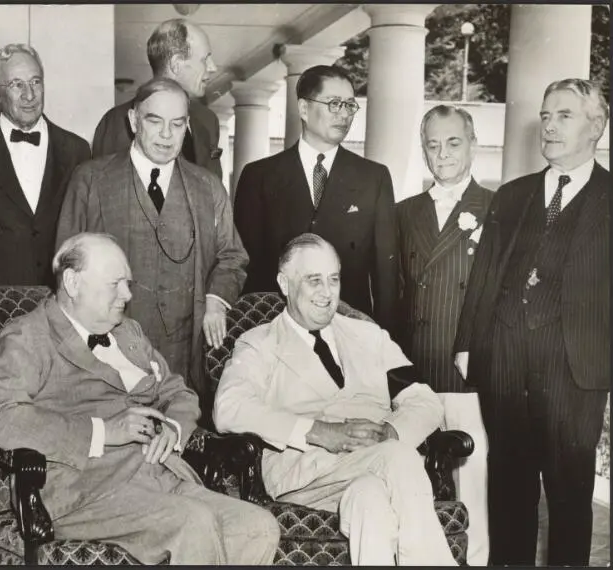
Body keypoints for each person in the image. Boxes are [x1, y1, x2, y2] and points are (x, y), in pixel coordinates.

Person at [0, 232, 279, 565]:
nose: (127, 294)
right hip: (86, 490)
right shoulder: (28, 336)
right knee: (194, 523)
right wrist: (104, 431)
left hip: (160, 475)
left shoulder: (128, 332)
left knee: (258, 526)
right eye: (115, 284)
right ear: (73, 282)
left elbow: (179, 393)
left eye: (128, 283)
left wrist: (173, 431)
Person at [214, 233, 456, 566]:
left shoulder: (370, 336)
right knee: (398, 459)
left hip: (376, 466)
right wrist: (317, 431)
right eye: (314, 281)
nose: (327, 293)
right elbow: (228, 408)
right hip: (307, 475)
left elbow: (425, 400)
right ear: (284, 283)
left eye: (333, 280)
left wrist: (391, 432)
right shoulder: (259, 344)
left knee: (370, 500)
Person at [454, 78, 610, 566]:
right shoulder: (513, 195)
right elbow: (484, 276)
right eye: (545, 116)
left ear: (596, 127)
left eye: (564, 115)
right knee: (509, 487)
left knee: (568, 492)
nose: (549, 125)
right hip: (504, 361)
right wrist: (467, 345)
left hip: (575, 369)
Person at [56, 77, 247, 414]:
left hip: (185, 358)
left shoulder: (208, 187)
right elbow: (64, 269)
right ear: (133, 121)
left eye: (177, 124)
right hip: (107, 355)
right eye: (154, 121)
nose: (165, 135)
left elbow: (232, 255)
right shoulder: (90, 180)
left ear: (187, 125)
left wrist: (216, 300)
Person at [396, 104, 493, 566]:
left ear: (473, 144)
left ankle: (474, 560)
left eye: (453, 142)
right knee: (414, 478)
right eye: (432, 145)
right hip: (416, 368)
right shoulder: (404, 212)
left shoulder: (496, 209)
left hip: (466, 369)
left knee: (471, 475)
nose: (443, 153)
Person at [234, 65, 398, 334]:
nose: (344, 114)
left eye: (349, 105)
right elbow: (245, 267)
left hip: (350, 332)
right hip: (275, 331)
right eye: (334, 104)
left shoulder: (374, 178)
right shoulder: (259, 177)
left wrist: (384, 341)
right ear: (303, 109)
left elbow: (386, 277)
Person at [0, 43, 90, 289]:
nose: (29, 95)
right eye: (17, 84)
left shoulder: (77, 150)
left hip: (60, 298)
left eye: (36, 82)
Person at [92, 19, 222, 179]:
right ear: (176, 64)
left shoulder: (208, 120)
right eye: (205, 59)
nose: (213, 67)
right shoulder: (117, 122)